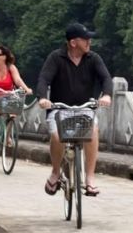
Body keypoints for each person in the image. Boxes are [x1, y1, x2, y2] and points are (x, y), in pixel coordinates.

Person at [36, 22, 113, 197]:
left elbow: (106, 78)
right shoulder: (56, 58)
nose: (89, 42)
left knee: (93, 130)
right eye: (85, 39)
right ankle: (56, 172)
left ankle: (90, 179)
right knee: (57, 136)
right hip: (59, 109)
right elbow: (43, 79)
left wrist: (107, 95)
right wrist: (42, 98)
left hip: (84, 109)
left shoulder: (93, 58)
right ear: (73, 43)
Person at [0, 44, 32, 154]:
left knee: (12, 114)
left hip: (7, 97)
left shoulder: (11, 67)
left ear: (4, 56)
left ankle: (7, 136)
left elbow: (18, 80)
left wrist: (26, 89)